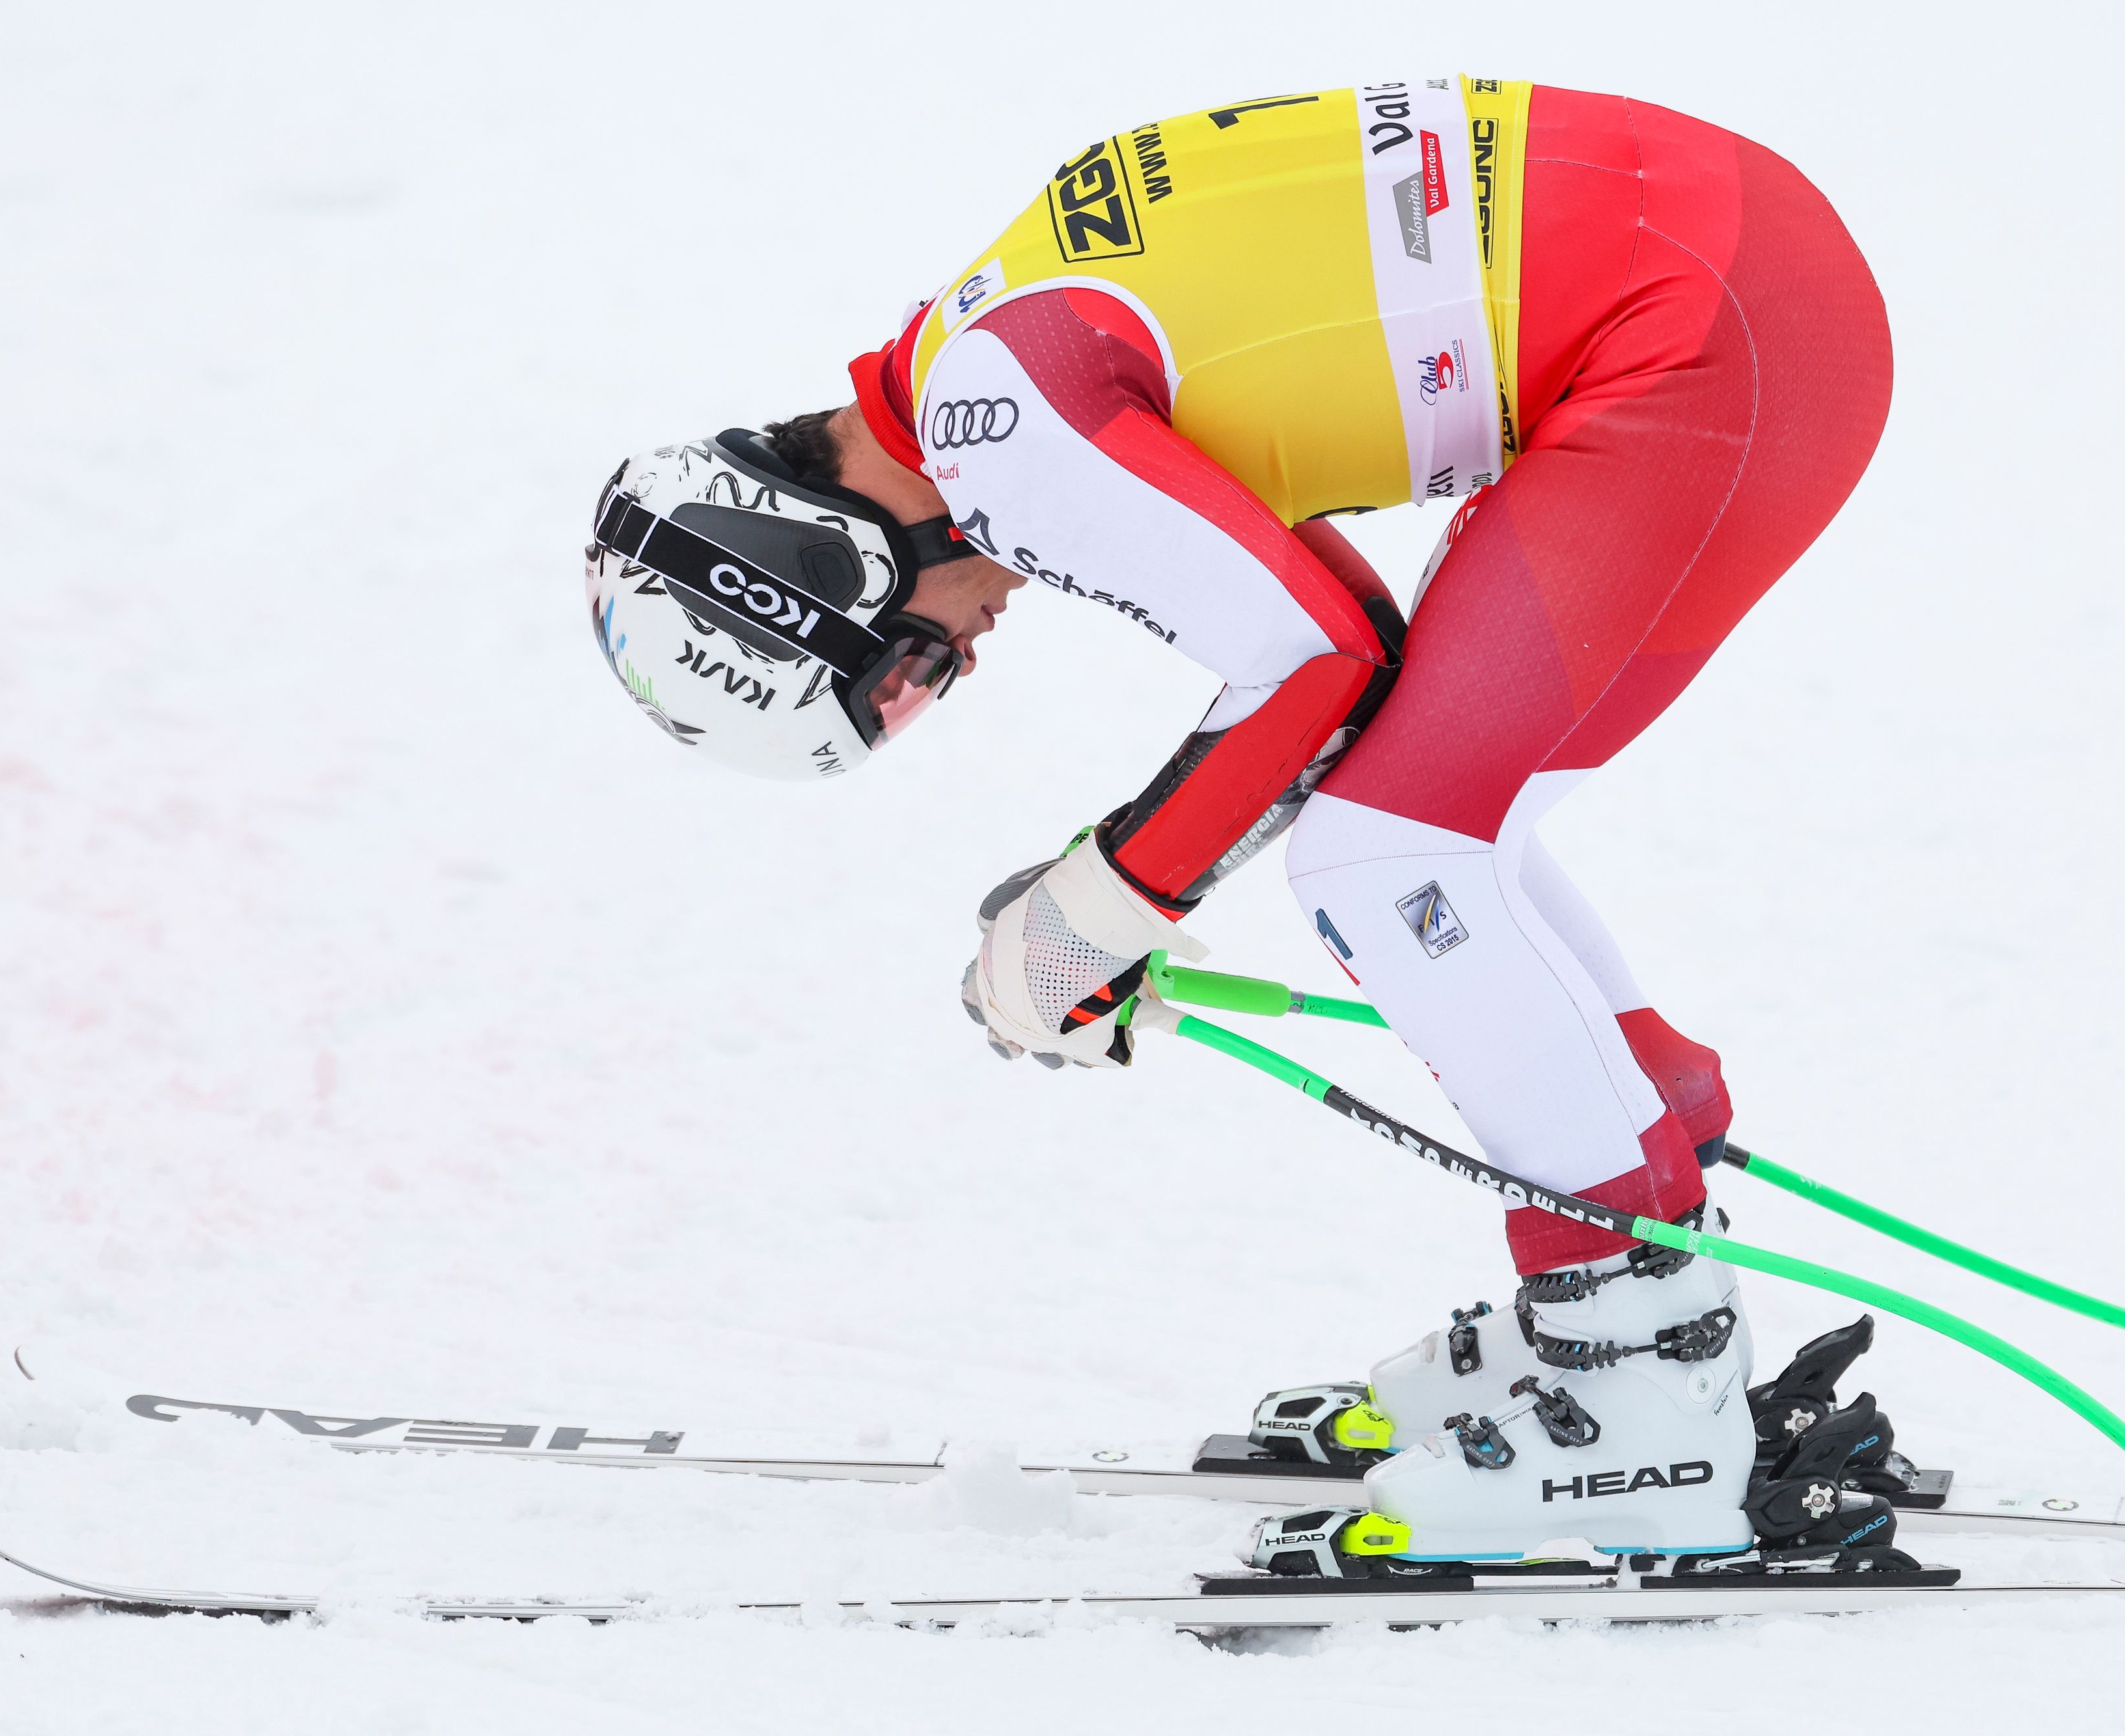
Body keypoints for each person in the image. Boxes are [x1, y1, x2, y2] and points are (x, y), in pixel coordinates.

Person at [585, 78, 1895, 1573]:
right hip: (1733, 281)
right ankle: (1639, 1291)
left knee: (1381, 851)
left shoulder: (996, 434)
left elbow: (1318, 662)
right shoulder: (987, 356)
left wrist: (1094, 914)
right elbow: (1345, 641)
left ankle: (1641, 1390)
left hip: (1705, 329)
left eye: (906, 667)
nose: (959, 663)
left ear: (819, 564)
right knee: (1430, 818)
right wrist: (1118, 877)